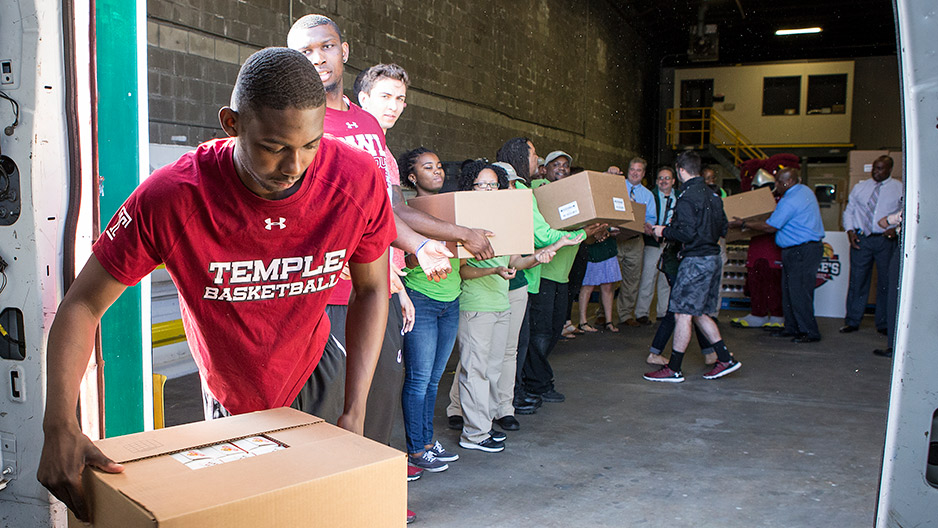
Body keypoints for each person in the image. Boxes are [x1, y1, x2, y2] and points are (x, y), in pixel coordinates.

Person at [37, 47, 399, 522]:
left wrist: (355, 407)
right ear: (232, 124)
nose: (294, 167)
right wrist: (59, 424)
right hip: (230, 392)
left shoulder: (355, 180)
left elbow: (372, 289)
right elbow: (82, 305)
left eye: (309, 145)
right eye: (273, 148)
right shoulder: (173, 198)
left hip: (316, 374)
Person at [287, 15, 494, 458]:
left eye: (325, 47)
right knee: (329, 410)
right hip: (326, 293)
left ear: (344, 51)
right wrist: (417, 245)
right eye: (305, 52)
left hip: (376, 288)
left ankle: (376, 502)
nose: (318, 58)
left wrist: (411, 253)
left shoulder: (367, 126)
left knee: (379, 401)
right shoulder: (299, 123)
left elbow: (387, 207)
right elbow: (340, 211)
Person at [451, 161, 575, 452]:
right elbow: (463, 270)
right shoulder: (464, 223)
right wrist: (492, 272)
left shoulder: (505, 220)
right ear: (470, 187)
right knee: (476, 370)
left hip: (500, 303)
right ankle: (474, 434)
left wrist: (540, 256)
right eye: (481, 184)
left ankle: (483, 426)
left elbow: (516, 262)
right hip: (476, 305)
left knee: (492, 369)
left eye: (493, 184)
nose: (488, 190)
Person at [495, 138, 605, 408]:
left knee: (531, 339)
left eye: (566, 165)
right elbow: (542, 235)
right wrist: (581, 233)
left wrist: (589, 233)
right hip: (532, 274)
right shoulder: (530, 190)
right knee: (523, 342)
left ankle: (520, 390)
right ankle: (520, 391)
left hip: (544, 275)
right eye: (536, 156)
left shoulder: (538, 191)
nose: (539, 161)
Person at [644, 151, 740, 382]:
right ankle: (725, 359)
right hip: (713, 258)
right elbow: (724, 228)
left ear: (680, 170)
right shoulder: (713, 195)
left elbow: (685, 232)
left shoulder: (687, 197)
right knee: (699, 312)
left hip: (695, 261)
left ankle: (674, 368)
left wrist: (662, 230)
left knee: (682, 314)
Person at [395, 147, 462, 473]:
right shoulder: (405, 212)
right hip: (421, 298)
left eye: (439, 166)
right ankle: (416, 449)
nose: (437, 171)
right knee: (419, 379)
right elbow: (404, 258)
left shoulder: (453, 210)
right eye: (427, 167)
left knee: (434, 379)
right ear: (411, 177)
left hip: (452, 299)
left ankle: (426, 441)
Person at [730, 167, 825, 343]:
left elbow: (771, 226)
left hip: (801, 251)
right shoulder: (805, 191)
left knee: (799, 292)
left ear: (788, 182)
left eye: (778, 183)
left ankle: (808, 332)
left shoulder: (790, 200)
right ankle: (791, 328)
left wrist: (744, 223)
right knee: (789, 291)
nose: (776, 186)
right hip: (798, 250)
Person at [840, 155, 903, 334]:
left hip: (885, 239)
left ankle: (883, 323)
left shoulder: (899, 188)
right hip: (862, 238)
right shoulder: (861, 187)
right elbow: (849, 211)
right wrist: (850, 231)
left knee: (885, 281)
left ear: (889, 169)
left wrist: (895, 228)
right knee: (857, 280)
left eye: (881, 169)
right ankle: (852, 320)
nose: (876, 172)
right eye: (875, 168)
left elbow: (903, 213)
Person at [615, 157, 657, 327]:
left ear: (643, 173)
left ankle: (625, 315)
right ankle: (603, 314)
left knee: (631, 280)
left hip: (635, 241)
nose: (634, 173)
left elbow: (651, 218)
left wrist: (648, 225)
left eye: (638, 170)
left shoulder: (648, 195)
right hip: (615, 238)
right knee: (609, 279)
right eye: (632, 169)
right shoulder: (616, 186)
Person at [634, 166, 677, 325]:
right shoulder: (649, 195)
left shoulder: (679, 197)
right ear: (657, 181)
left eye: (667, 178)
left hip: (670, 244)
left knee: (666, 281)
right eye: (660, 178)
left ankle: (663, 312)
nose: (663, 181)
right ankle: (642, 313)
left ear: (673, 181)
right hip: (652, 242)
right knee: (648, 277)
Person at [874, 210, 903, 358]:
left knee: (895, 296)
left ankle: (893, 345)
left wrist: (891, 219)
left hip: (905, 244)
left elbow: (885, 221)